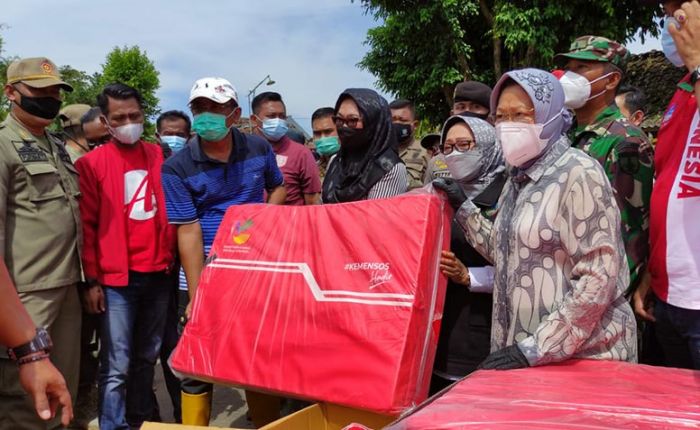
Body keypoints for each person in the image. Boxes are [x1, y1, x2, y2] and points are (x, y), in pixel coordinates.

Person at [435, 68, 637, 370]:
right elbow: (507, 253)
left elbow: (598, 277)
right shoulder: (518, 179)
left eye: (521, 115)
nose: (508, 125)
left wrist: (537, 347)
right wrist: (463, 208)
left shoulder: (578, 172)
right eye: (501, 117)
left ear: (550, 114)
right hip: (530, 354)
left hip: (584, 357)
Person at [161, 77, 285, 426]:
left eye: (216, 108)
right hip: (203, 273)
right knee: (196, 360)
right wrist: (199, 293)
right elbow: (187, 229)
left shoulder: (258, 149)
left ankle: (264, 422)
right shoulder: (177, 166)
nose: (207, 116)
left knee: (256, 354)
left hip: (252, 270)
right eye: (200, 108)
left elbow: (277, 188)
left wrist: (257, 221)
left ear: (235, 113)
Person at [75, 83, 177, 430]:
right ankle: (112, 425)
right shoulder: (91, 165)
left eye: (134, 115)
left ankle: (137, 422)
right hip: (117, 280)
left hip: (159, 273)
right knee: (116, 363)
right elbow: (87, 228)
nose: (128, 122)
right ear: (105, 121)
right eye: (119, 117)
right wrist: (91, 281)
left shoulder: (159, 156)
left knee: (146, 359)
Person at [0, 57, 83, 430]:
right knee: (27, 404)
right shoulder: (3, 146)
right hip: (24, 296)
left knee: (64, 390)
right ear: (11, 93)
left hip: (66, 287)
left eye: (55, 92)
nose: (50, 99)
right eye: (40, 91)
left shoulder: (56, 144)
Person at [557, 36, 654, 296]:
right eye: (569, 68)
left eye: (582, 68)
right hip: (563, 285)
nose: (570, 76)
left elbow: (632, 232)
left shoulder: (625, 141)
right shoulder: (564, 136)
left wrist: (604, 297)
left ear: (611, 80)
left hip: (601, 297)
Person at [634, 0, 700, 370]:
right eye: (666, 8)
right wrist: (654, 271)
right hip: (671, 298)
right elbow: (671, 189)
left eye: (681, 6)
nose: (671, 19)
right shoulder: (684, 89)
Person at [430, 115, 506, 394]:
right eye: (447, 148)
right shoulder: (439, 194)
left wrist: (469, 276)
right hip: (443, 330)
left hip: (484, 331)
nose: (455, 154)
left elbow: (522, 268)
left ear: (486, 146)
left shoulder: (509, 194)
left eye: (464, 144)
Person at [153, 110, 192, 423]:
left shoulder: (190, 167)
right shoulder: (146, 164)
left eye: (179, 133)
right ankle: (147, 414)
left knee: (175, 345)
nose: (173, 139)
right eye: (168, 133)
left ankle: (183, 415)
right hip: (151, 270)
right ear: (157, 134)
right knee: (145, 350)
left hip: (182, 270)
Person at [0, 261, 73, 428]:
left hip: (64, 278)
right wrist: (30, 353)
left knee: (58, 405)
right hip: (24, 287)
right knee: (22, 413)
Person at [322, 88, 408, 202]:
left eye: (352, 120)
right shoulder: (335, 161)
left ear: (372, 123)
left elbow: (376, 218)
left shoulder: (389, 168)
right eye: (339, 120)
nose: (344, 126)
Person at [251, 92, 321, 205]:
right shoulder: (244, 152)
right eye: (271, 116)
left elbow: (313, 202)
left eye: (282, 116)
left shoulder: (301, 154)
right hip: (251, 221)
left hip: (291, 221)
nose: (278, 121)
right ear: (254, 119)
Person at [389, 99, 429, 189]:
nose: (396, 124)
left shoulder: (426, 152)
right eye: (392, 120)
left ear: (415, 125)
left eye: (402, 120)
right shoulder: (377, 151)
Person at [311, 107, 340, 182]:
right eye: (317, 133)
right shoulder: (313, 168)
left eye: (328, 132)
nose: (322, 138)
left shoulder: (354, 165)